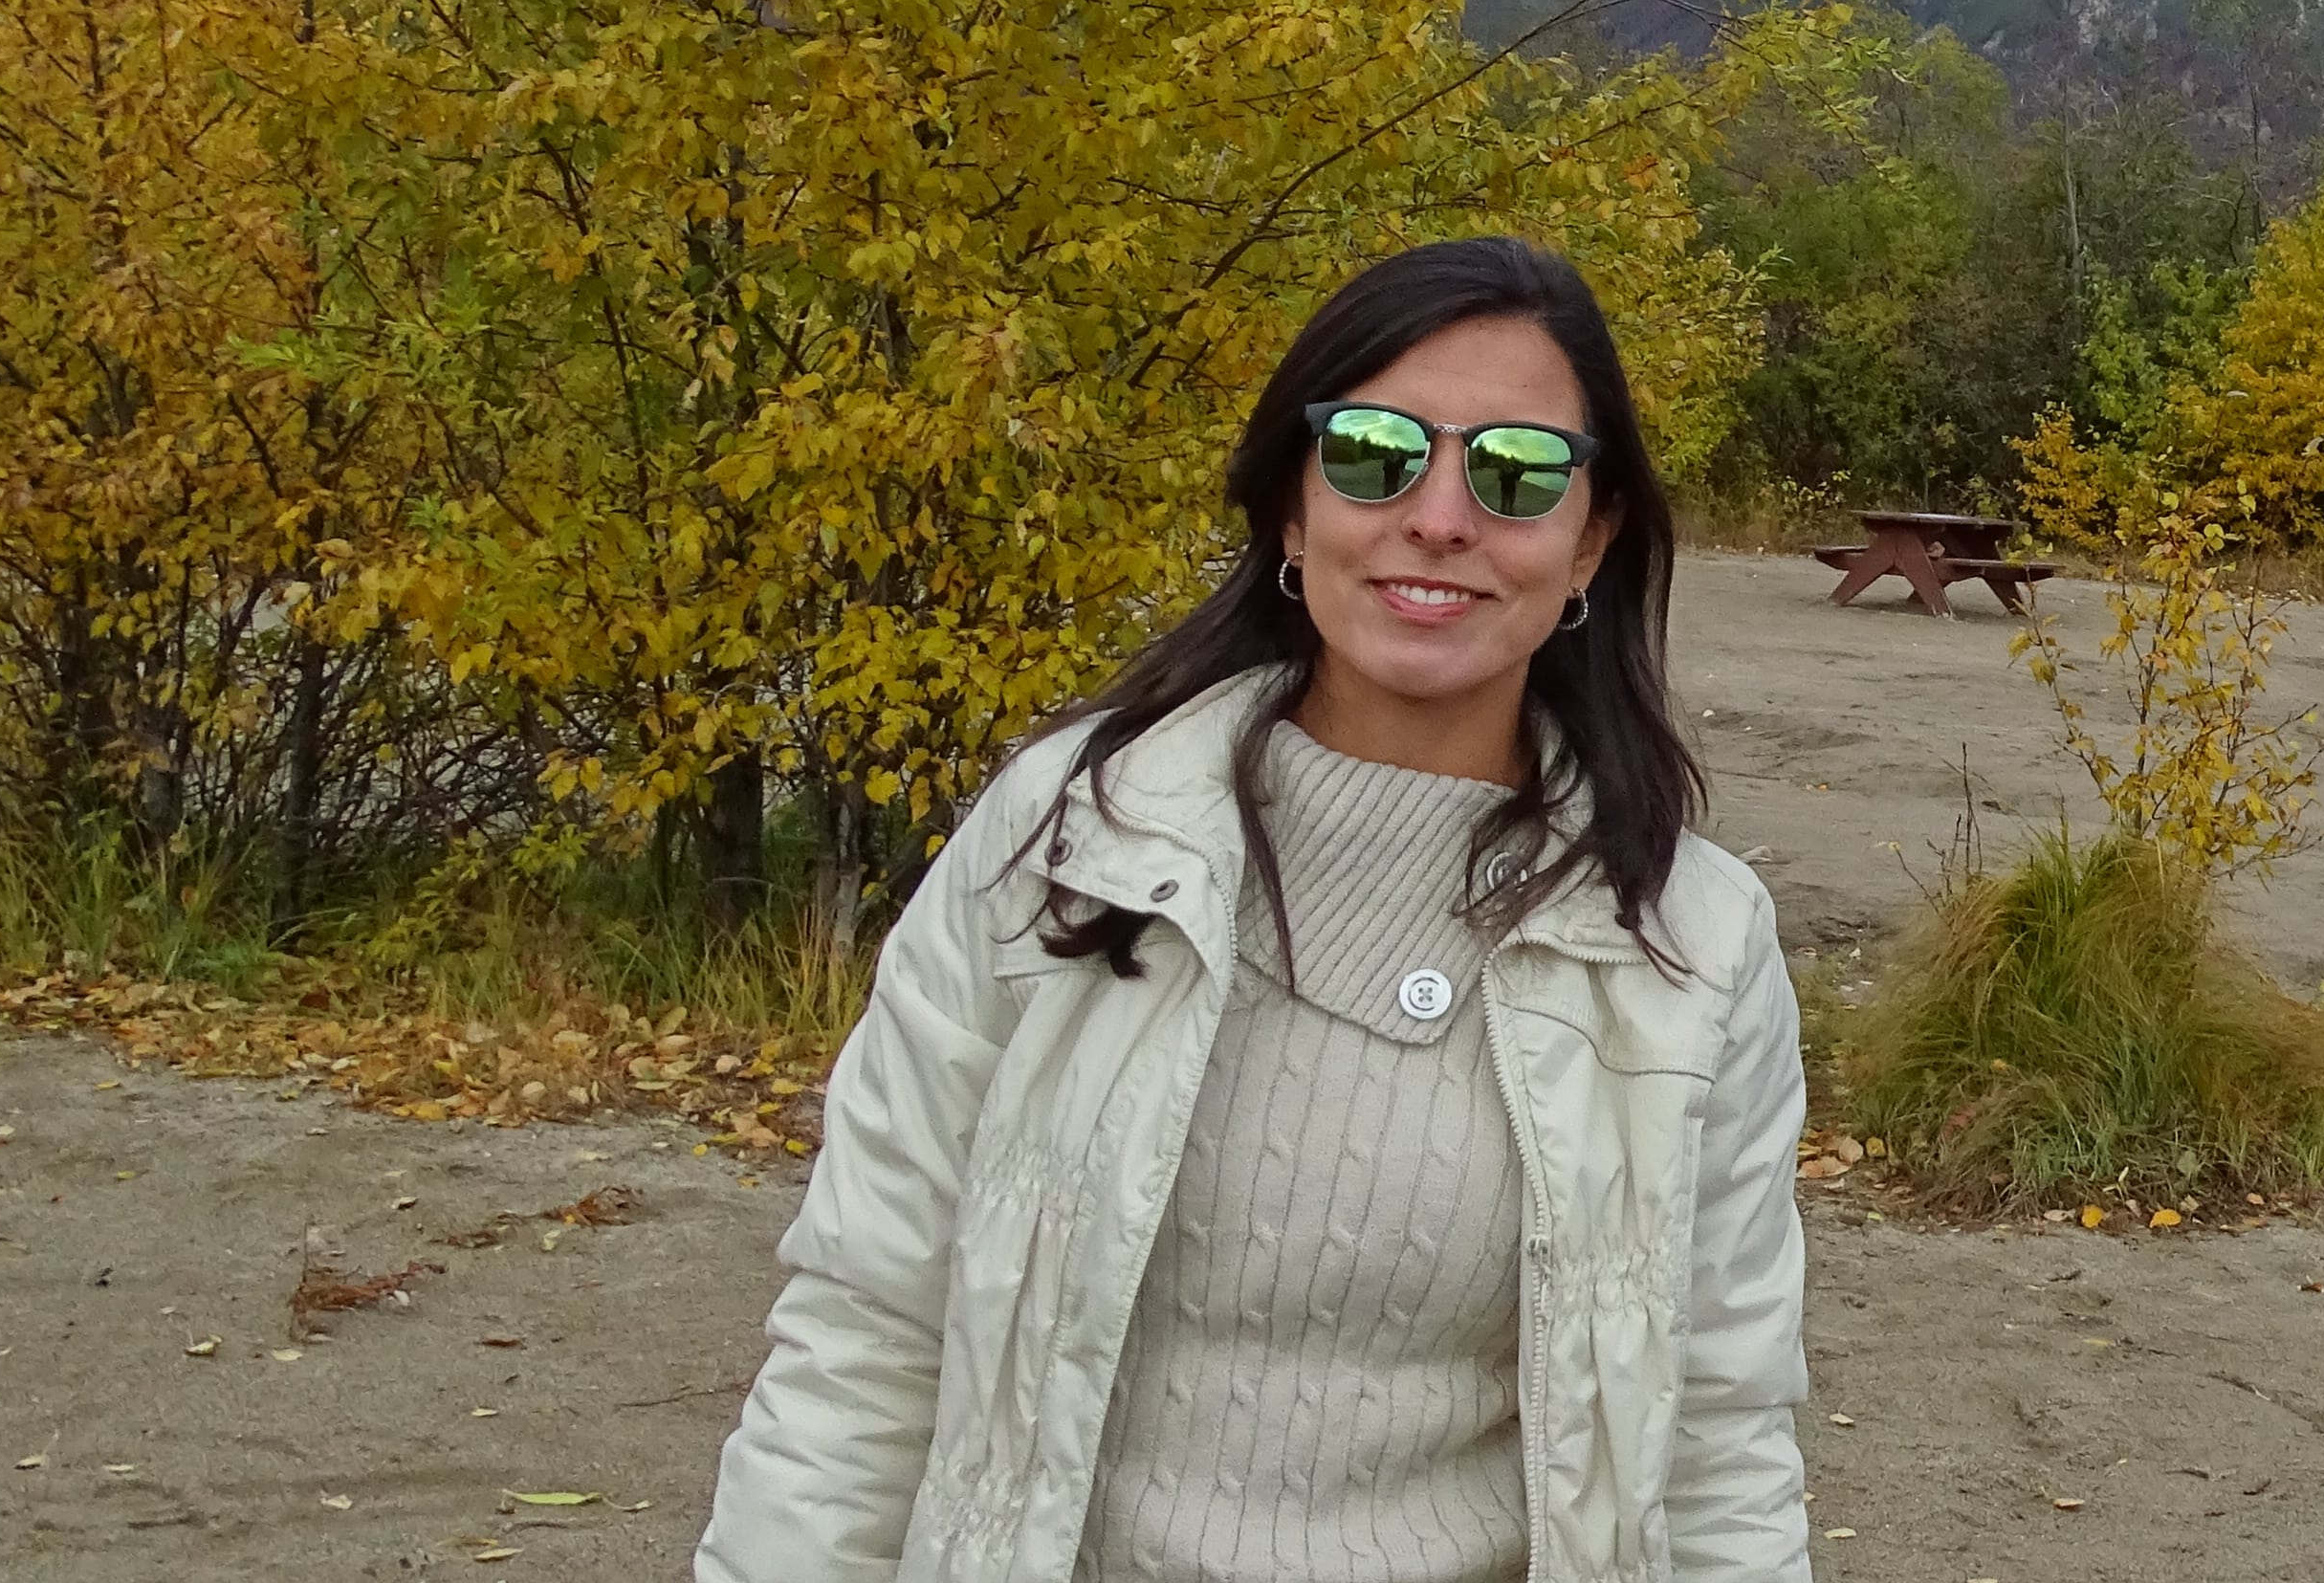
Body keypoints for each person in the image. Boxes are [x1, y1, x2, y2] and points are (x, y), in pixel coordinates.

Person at [695, 238, 1812, 1583]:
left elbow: (1717, 1443)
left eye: (1516, 472)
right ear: (1293, 509)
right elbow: (866, 1337)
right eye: (1374, 453)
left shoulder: (1689, 945)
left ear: (1593, 537)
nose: (1440, 518)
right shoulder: (1066, 839)